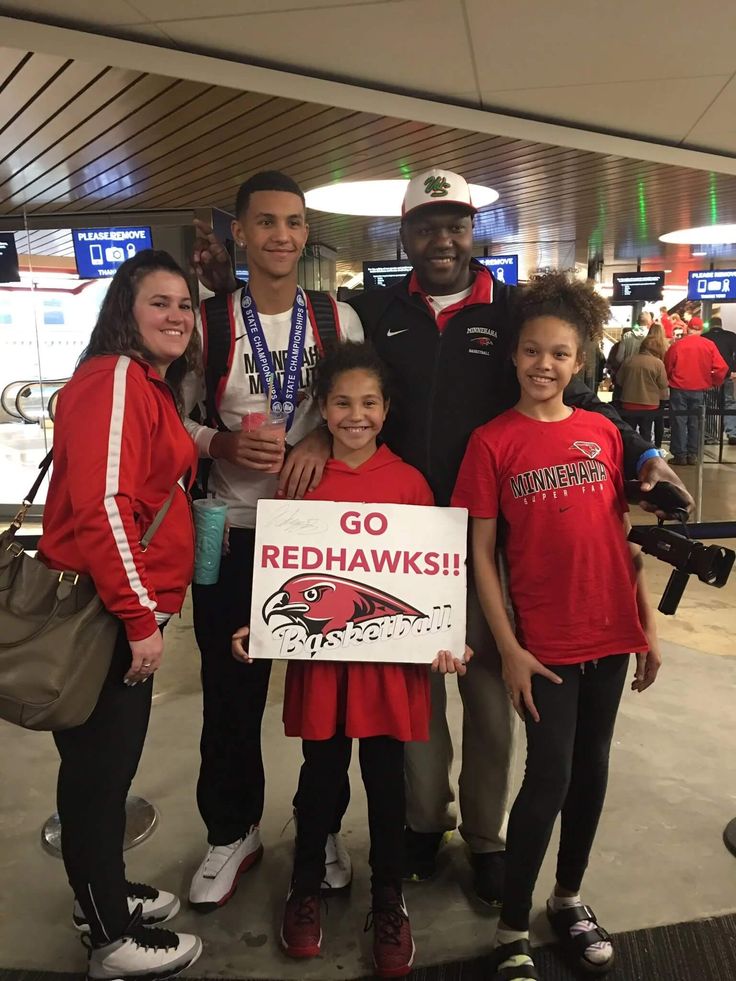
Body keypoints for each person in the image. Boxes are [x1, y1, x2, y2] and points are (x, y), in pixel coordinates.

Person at [197, 168, 691, 904]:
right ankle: (425, 825)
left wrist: (643, 453)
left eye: (455, 224)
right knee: (416, 695)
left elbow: (573, 394)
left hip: (493, 539)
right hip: (402, 538)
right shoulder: (375, 310)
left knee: (491, 695)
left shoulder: (514, 310)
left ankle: (486, 838)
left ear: (472, 231)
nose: (442, 238)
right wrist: (320, 445)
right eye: (427, 225)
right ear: (406, 234)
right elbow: (344, 397)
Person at [231, 341, 469, 978]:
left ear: (387, 410)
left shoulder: (410, 483)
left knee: (387, 785)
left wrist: (449, 633)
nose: (355, 414)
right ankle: (305, 887)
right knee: (319, 778)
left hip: (391, 672)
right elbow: (280, 571)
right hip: (324, 667)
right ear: (323, 409)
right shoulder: (301, 481)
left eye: (368, 403)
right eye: (342, 402)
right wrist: (255, 625)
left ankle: (388, 897)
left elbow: (430, 579)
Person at [452, 272, 662, 981]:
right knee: (547, 775)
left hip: (611, 630)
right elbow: (481, 553)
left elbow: (621, 538)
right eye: (533, 351)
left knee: (592, 770)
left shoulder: (603, 433)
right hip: (544, 644)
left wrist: (647, 627)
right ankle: (512, 926)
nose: (545, 364)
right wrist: (507, 646)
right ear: (513, 355)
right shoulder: (491, 442)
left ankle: (568, 899)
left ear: (581, 363)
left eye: (561, 354)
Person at [183, 171, 364, 912]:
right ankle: (233, 831)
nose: (281, 236)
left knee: (326, 695)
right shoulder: (206, 323)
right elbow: (170, 423)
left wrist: (320, 430)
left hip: (314, 534)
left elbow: (361, 404)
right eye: (266, 223)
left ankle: (319, 825)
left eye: (293, 222)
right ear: (240, 233)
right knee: (230, 695)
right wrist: (219, 441)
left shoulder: (338, 317)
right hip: (229, 532)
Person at [38, 251, 203, 979]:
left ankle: (99, 893)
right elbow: (104, 505)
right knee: (100, 774)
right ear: (124, 312)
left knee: (101, 768)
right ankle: (110, 937)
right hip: (107, 614)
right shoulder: (113, 379)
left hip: (122, 608)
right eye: (159, 302)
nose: (176, 316)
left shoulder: (143, 384)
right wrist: (139, 616)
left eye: (185, 306)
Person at [664, 317, 729, 465]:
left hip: (678, 389)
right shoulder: (709, 345)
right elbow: (722, 367)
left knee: (679, 422)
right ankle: (692, 454)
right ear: (701, 329)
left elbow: (667, 365)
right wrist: (714, 382)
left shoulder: (677, 345)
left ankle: (679, 455)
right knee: (695, 422)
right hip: (699, 389)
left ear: (687, 328)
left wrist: (669, 380)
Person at [617, 336, 669, 444]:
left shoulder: (628, 360)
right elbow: (663, 385)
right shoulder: (658, 363)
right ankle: (645, 454)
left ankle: (629, 454)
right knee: (646, 432)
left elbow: (619, 381)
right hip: (650, 404)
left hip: (628, 403)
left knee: (629, 432)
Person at [704, 316, 736, 444]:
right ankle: (732, 433)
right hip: (727, 375)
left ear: (710, 325)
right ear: (721, 324)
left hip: (710, 376)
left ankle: (711, 435)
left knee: (710, 404)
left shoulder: (704, 337)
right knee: (729, 402)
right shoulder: (731, 336)